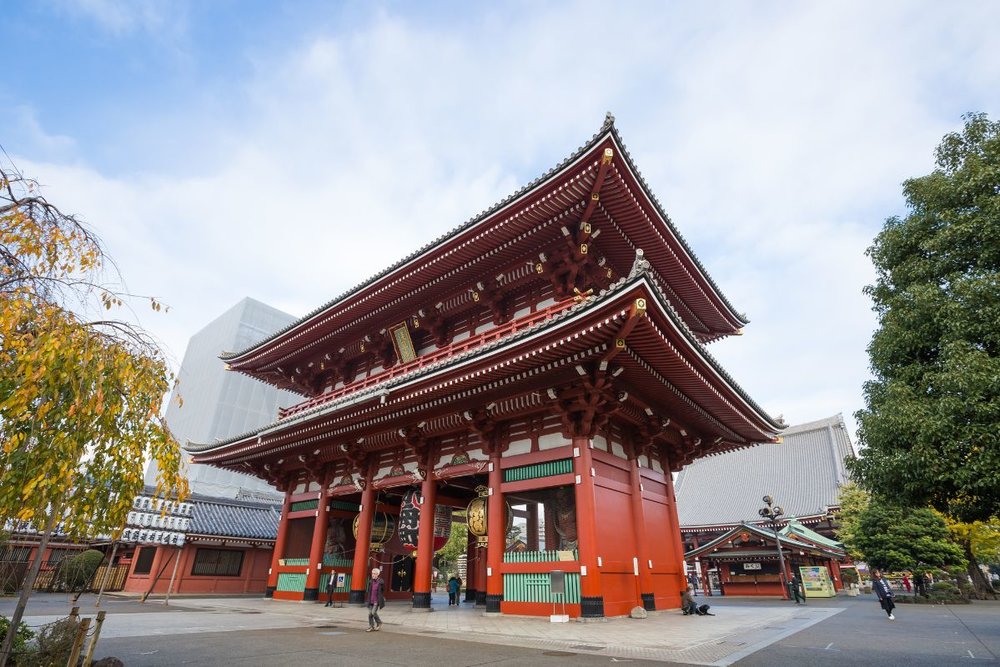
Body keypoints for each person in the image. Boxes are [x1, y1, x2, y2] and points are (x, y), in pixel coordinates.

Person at [365, 567, 386, 632]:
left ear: (377, 574)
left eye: (374, 574)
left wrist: (381, 598)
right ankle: (371, 626)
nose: (373, 575)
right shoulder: (371, 581)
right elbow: (370, 591)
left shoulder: (380, 582)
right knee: (369, 614)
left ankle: (379, 622)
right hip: (371, 599)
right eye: (372, 573)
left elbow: (382, 590)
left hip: (376, 600)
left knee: (373, 612)